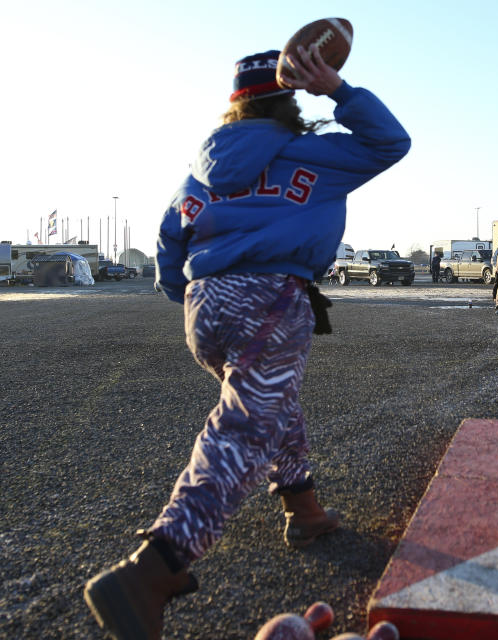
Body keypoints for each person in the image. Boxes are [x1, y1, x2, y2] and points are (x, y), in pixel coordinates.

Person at [83, 47, 410, 640]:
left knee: (271, 405)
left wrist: (196, 296)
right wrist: (336, 88)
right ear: (287, 101)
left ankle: (303, 508)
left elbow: (166, 252)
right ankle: (155, 566)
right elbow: (391, 143)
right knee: (246, 426)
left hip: (204, 308)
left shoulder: (199, 173)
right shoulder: (312, 154)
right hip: (272, 299)